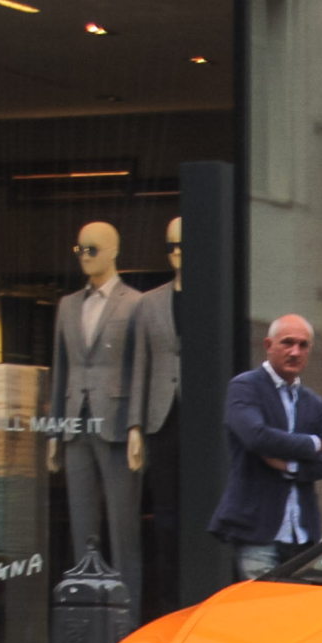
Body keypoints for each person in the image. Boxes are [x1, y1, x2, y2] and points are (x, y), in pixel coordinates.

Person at [47, 221, 142, 601]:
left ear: (114, 251)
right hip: (75, 425)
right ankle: (85, 614)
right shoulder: (67, 305)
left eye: (93, 249)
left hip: (117, 425)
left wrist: (136, 424)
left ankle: (127, 619)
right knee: (82, 526)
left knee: (123, 530)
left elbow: (140, 368)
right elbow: (61, 370)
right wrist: (54, 431)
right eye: (80, 249)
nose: (85, 257)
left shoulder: (136, 303)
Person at [209, 314, 322, 579]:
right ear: (268, 345)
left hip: (303, 536)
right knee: (263, 612)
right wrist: (312, 443)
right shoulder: (245, 387)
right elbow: (257, 437)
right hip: (259, 532)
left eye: (303, 345)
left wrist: (291, 466)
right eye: (287, 343)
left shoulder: (313, 402)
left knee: (297, 614)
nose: (295, 352)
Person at [126, 216, 183, 617]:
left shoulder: (214, 293)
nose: (177, 253)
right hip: (161, 417)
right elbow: (139, 365)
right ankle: (166, 605)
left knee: (202, 513)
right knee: (166, 519)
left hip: (203, 419)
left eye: (183, 244)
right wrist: (134, 425)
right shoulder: (149, 302)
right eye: (170, 246)